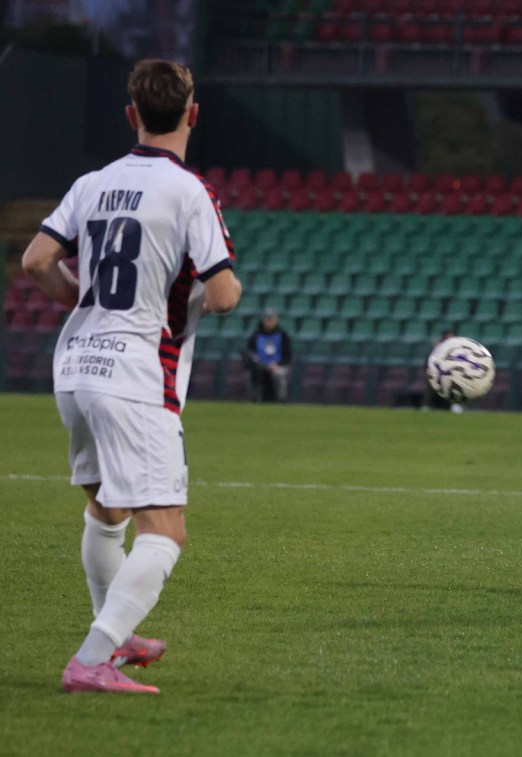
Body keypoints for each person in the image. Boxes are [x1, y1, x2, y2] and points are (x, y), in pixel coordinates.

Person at [20, 59, 243, 694]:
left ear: (131, 115)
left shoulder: (93, 182)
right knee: (165, 530)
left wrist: (81, 296)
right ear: (193, 115)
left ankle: (109, 633)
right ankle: (93, 657)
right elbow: (223, 294)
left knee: (106, 509)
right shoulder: (189, 191)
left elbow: (37, 260)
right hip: (134, 372)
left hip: (76, 366)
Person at [245, 307, 292, 402]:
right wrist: (261, 364)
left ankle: (281, 400)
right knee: (254, 374)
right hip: (260, 365)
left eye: (271, 319)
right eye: (267, 319)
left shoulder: (283, 335)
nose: (269, 321)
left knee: (278, 374)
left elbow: (287, 356)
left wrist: (277, 364)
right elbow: (250, 354)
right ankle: (256, 399)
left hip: (278, 365)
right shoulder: (255, 336)